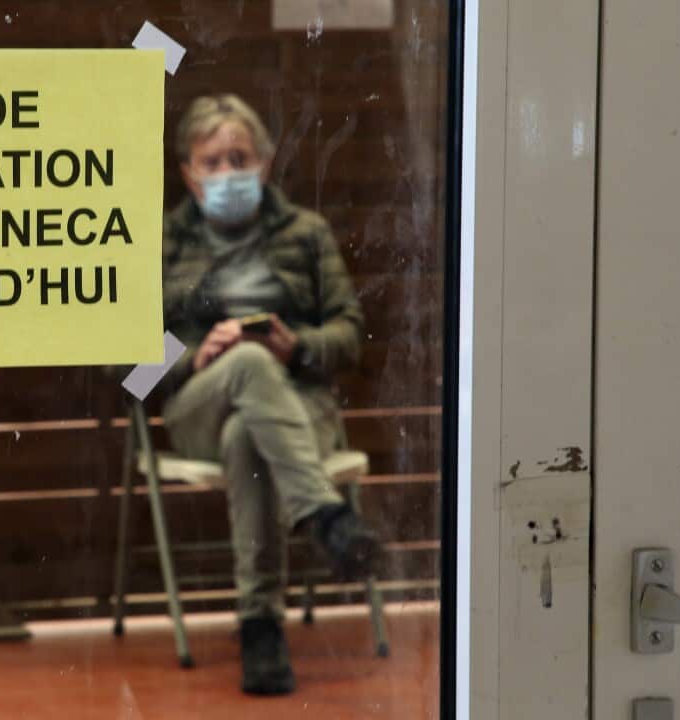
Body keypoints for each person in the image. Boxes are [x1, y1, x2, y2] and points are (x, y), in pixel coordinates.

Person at [158, 94, 382, 696]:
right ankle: (325, 515)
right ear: (188, 173)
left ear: (265, 162)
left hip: (298, 407)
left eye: (240, 158)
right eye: (212, 162)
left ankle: (261, 629)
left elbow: (350, 335)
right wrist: (194, 356)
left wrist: (298, 346)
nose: (227, 172)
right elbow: (122, 364)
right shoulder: (160, 241)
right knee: (245, 364)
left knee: (247, 435)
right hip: (199, 407)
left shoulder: (306, 234)